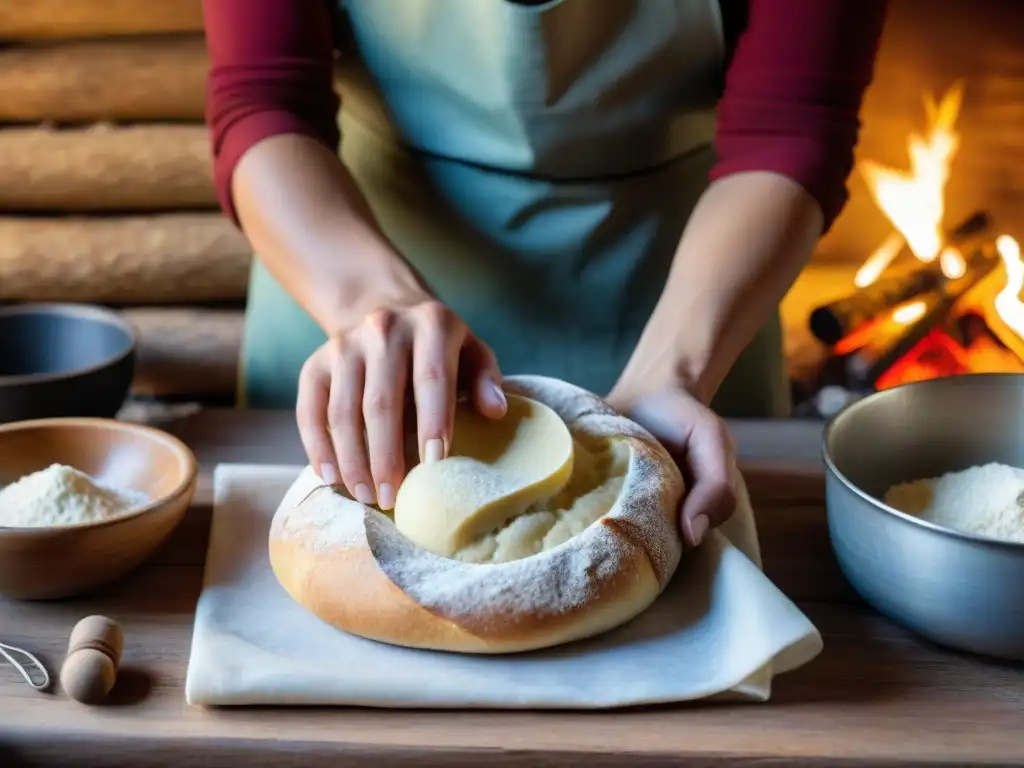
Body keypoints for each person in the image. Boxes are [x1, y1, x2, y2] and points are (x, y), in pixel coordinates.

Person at [202, 0, 886, 547]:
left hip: (684, 299)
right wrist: (365, 301)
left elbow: (792, 126)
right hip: (353, 291)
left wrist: (673, 372)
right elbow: (265, 98)